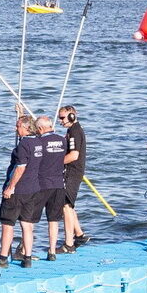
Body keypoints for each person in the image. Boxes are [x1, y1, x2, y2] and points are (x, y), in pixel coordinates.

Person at [0, 115, 42, 269]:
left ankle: (3, 258)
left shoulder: (24, 144)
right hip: (33, 189)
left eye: (18, 126)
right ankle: (27, 256)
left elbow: (20, 167)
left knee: (7, 224)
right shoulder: (38, 142)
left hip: (18, 190)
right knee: (27, 224)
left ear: (25, 128)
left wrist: (10, 187)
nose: (15, 129)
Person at [56, 105, 89, 253]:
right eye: (59, 119)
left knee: (66, 206)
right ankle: (79, 234)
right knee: (68, 204)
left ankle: (68, 244)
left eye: (62, 118)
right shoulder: (72, 131)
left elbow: (74, 156)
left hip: (72, 172)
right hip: (72, 171)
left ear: (72, 116)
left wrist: (55, 162)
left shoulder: (75, 131)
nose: (61, 121)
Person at [36, 116, 66, 260]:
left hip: (42, 184)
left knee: (30, 219)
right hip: (59, 184)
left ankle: (25, 249)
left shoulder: (39, 142)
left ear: (40, 128)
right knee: (53, 220)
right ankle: (52, 251)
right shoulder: (62, 140)